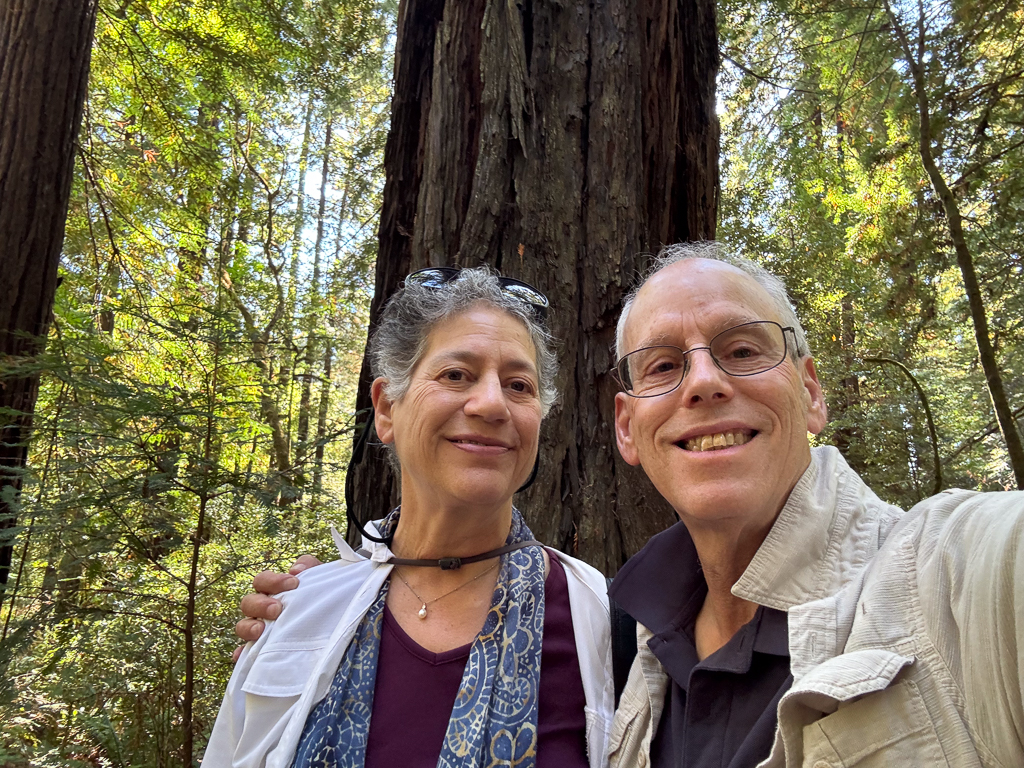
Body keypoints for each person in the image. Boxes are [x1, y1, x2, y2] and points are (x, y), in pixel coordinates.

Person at [243, 243, 1024, 767]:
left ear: (812, 392)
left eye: (744, 349)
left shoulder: (956, 578)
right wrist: (285, 623)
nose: (703, 382)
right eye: (455, 376)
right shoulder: (648, 648)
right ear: (627, 426)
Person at [206, 266, 613, 768]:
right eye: (456, 375)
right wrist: (299, 617)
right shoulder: (299, 611)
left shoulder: (597, 616)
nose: (492, 404)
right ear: (386, 409)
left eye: (519, 385)